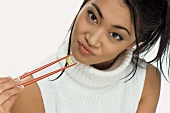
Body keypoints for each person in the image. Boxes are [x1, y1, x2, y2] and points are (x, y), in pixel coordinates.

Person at [0, 0, 170, 112]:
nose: (92, 39)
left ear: (135, 42)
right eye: (93, 16)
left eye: (115, 35)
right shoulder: (33, 92)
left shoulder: (145, 81)